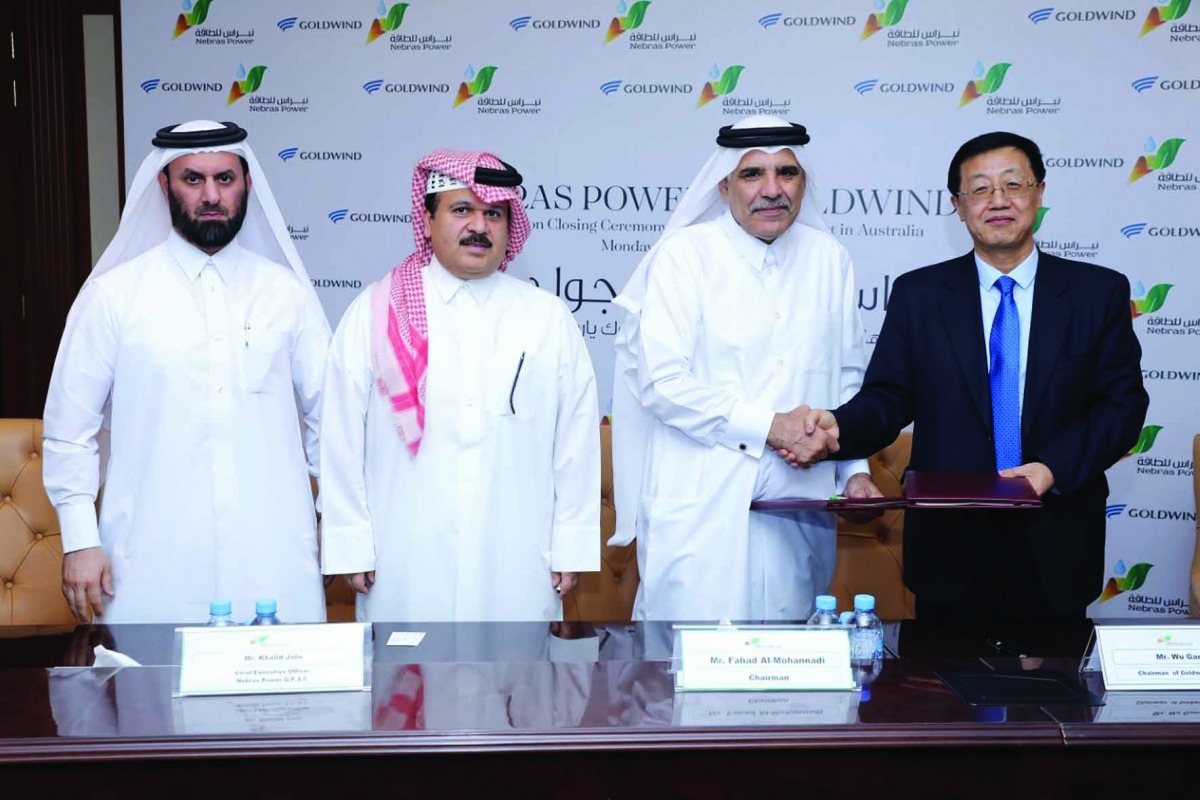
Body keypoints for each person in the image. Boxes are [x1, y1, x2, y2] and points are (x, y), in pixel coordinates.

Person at [800, 131, 1148, 620]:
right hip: (948, 548)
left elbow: (1123, 406)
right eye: (980, 189)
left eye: (1013, 184)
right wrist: (838, 427)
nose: (998, 201)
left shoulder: (1097, 293)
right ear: (957, 206)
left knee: (1053, 695)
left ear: (1040, 193)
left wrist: (1051, 468)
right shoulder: (920, 294)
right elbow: (888, 397)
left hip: (1057, 541)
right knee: (942, 694)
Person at [43, 120, 331, 624]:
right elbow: (70, 430)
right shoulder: (113, 297)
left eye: (225, 179)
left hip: (272, 555)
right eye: (192, 180)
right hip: (150, 559)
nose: (211, 195)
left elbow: (331, 420)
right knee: (150, 698)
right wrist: (79, 540)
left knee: (283, 698)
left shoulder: (286, 294)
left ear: (247, 184)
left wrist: (337, 516)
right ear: (164, 185)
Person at [610, 116, 879, 623]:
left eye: (787, 173)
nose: (772, 190)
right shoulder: (682, 257)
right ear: (723, 185)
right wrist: (770, 425)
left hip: (798, 505)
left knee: (790, 665)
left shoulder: (830, 259)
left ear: (804, 182)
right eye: (753, 174)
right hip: (701, 504)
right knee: (686, 670)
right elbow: (662, 385)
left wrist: (856, 472)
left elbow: (848, 378)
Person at [320, 148, 599, 622]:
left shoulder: (546, 317)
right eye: (461, 210)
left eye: (493, 213)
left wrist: (571, 544)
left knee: (517, 688)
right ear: (426, 221)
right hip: (405, 560)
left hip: (514, 561)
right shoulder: (376, 310)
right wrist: (350, 544)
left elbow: (575, 438)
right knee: (405, 682)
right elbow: (341, 435)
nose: (479, 226)